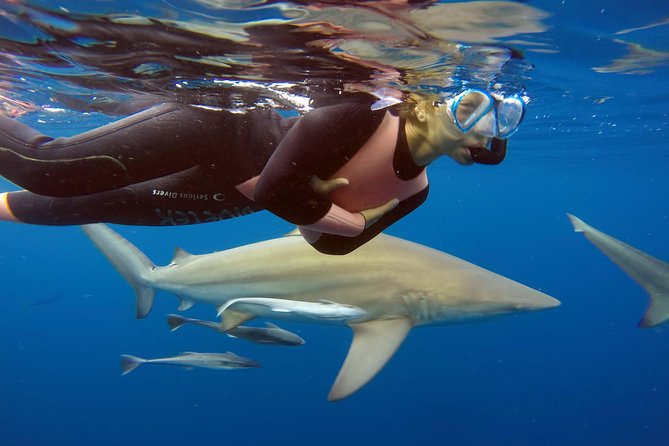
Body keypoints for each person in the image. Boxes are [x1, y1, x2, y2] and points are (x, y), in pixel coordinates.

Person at [0, 89, 525, 254]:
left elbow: (329, 247)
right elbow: (282, 190)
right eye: (471, 102)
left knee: (91, 205)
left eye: (494, 120)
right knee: (53, 171)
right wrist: (336, 213)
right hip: (224, 128)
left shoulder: (415, 193)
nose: (480, 120)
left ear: (471, 152)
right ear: (428, 101)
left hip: (238, 190)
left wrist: (322, 212)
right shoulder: (363, 109)